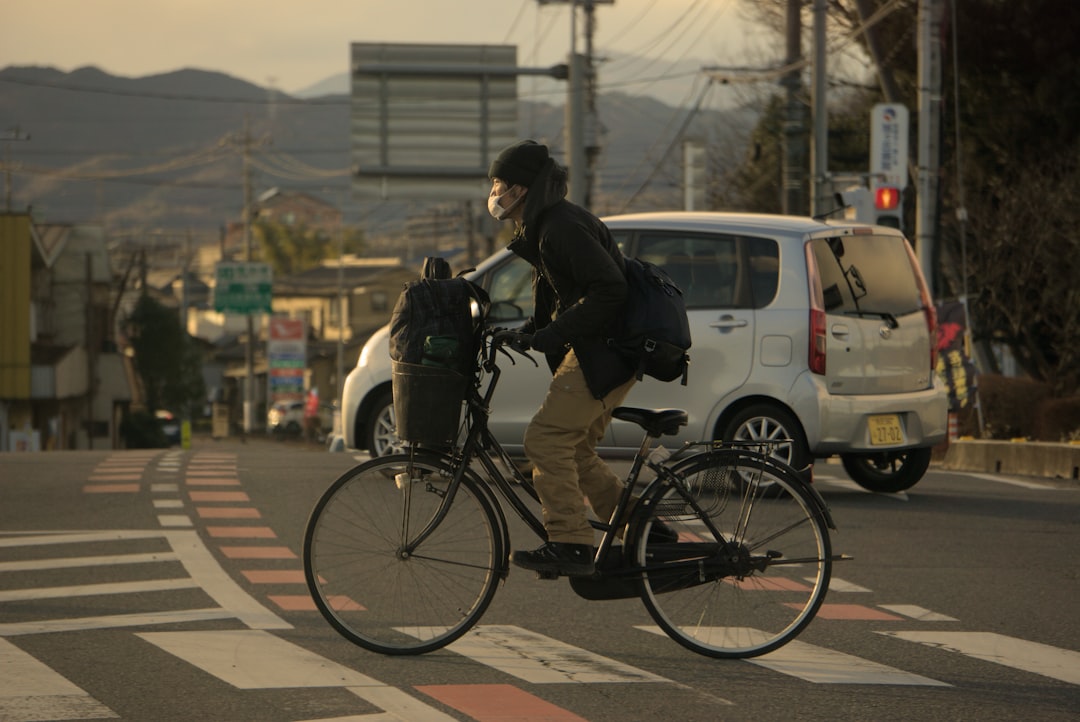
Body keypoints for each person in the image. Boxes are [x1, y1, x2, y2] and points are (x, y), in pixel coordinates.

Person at [488, 139, 663, 577]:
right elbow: (565, 298)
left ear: (522, 189)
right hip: (606, 350)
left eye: (500, 183)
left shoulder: (559, 227)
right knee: (576, 450)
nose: (494, 192)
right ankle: (645, 530)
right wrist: (528, 332)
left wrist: (552, 336)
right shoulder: (546, 225)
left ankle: (569, 542)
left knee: (545, 441)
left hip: (604, 351)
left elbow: (609, 289)